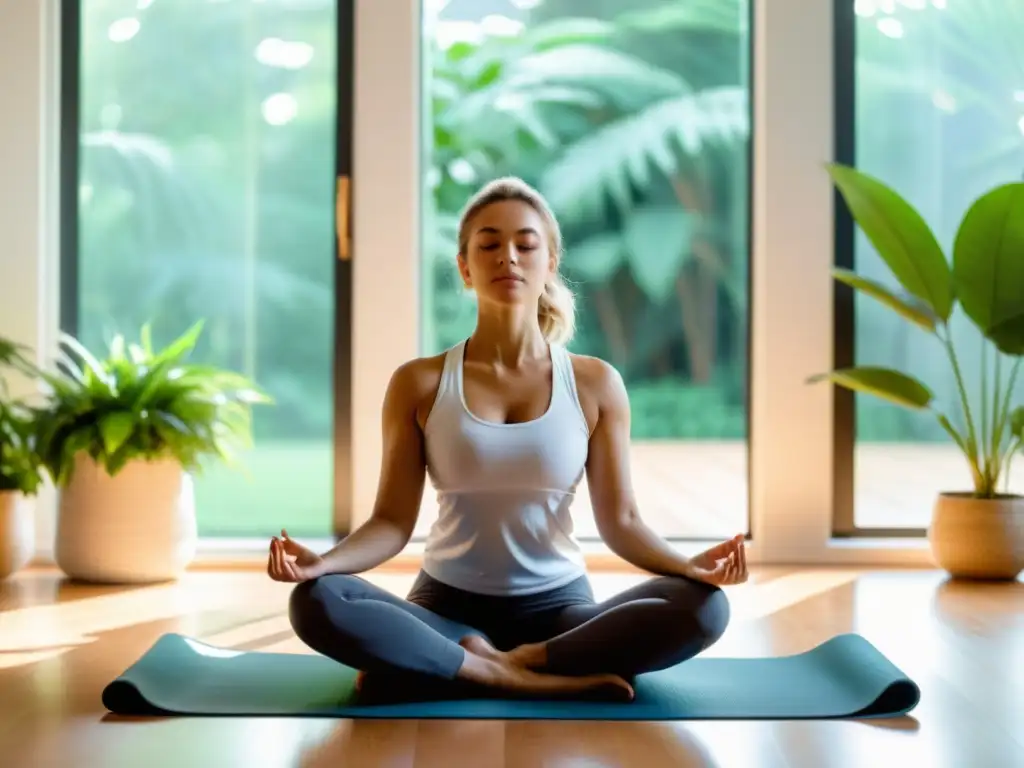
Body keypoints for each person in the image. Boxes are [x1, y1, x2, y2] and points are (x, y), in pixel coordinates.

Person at [267, 176, 747, 703]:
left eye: (525, 243)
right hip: (444, 611)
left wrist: (688, 567)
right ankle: (501, 674)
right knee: (317, 600)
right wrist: (323, 563)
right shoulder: (420, 382)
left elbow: (623, 522)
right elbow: (390, 522)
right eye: (489, 244)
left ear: (550, 262)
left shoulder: (594, 384)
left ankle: (493, 664)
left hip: (559, 616)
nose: (508, 257)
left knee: (706, 606)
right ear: (465, 268)